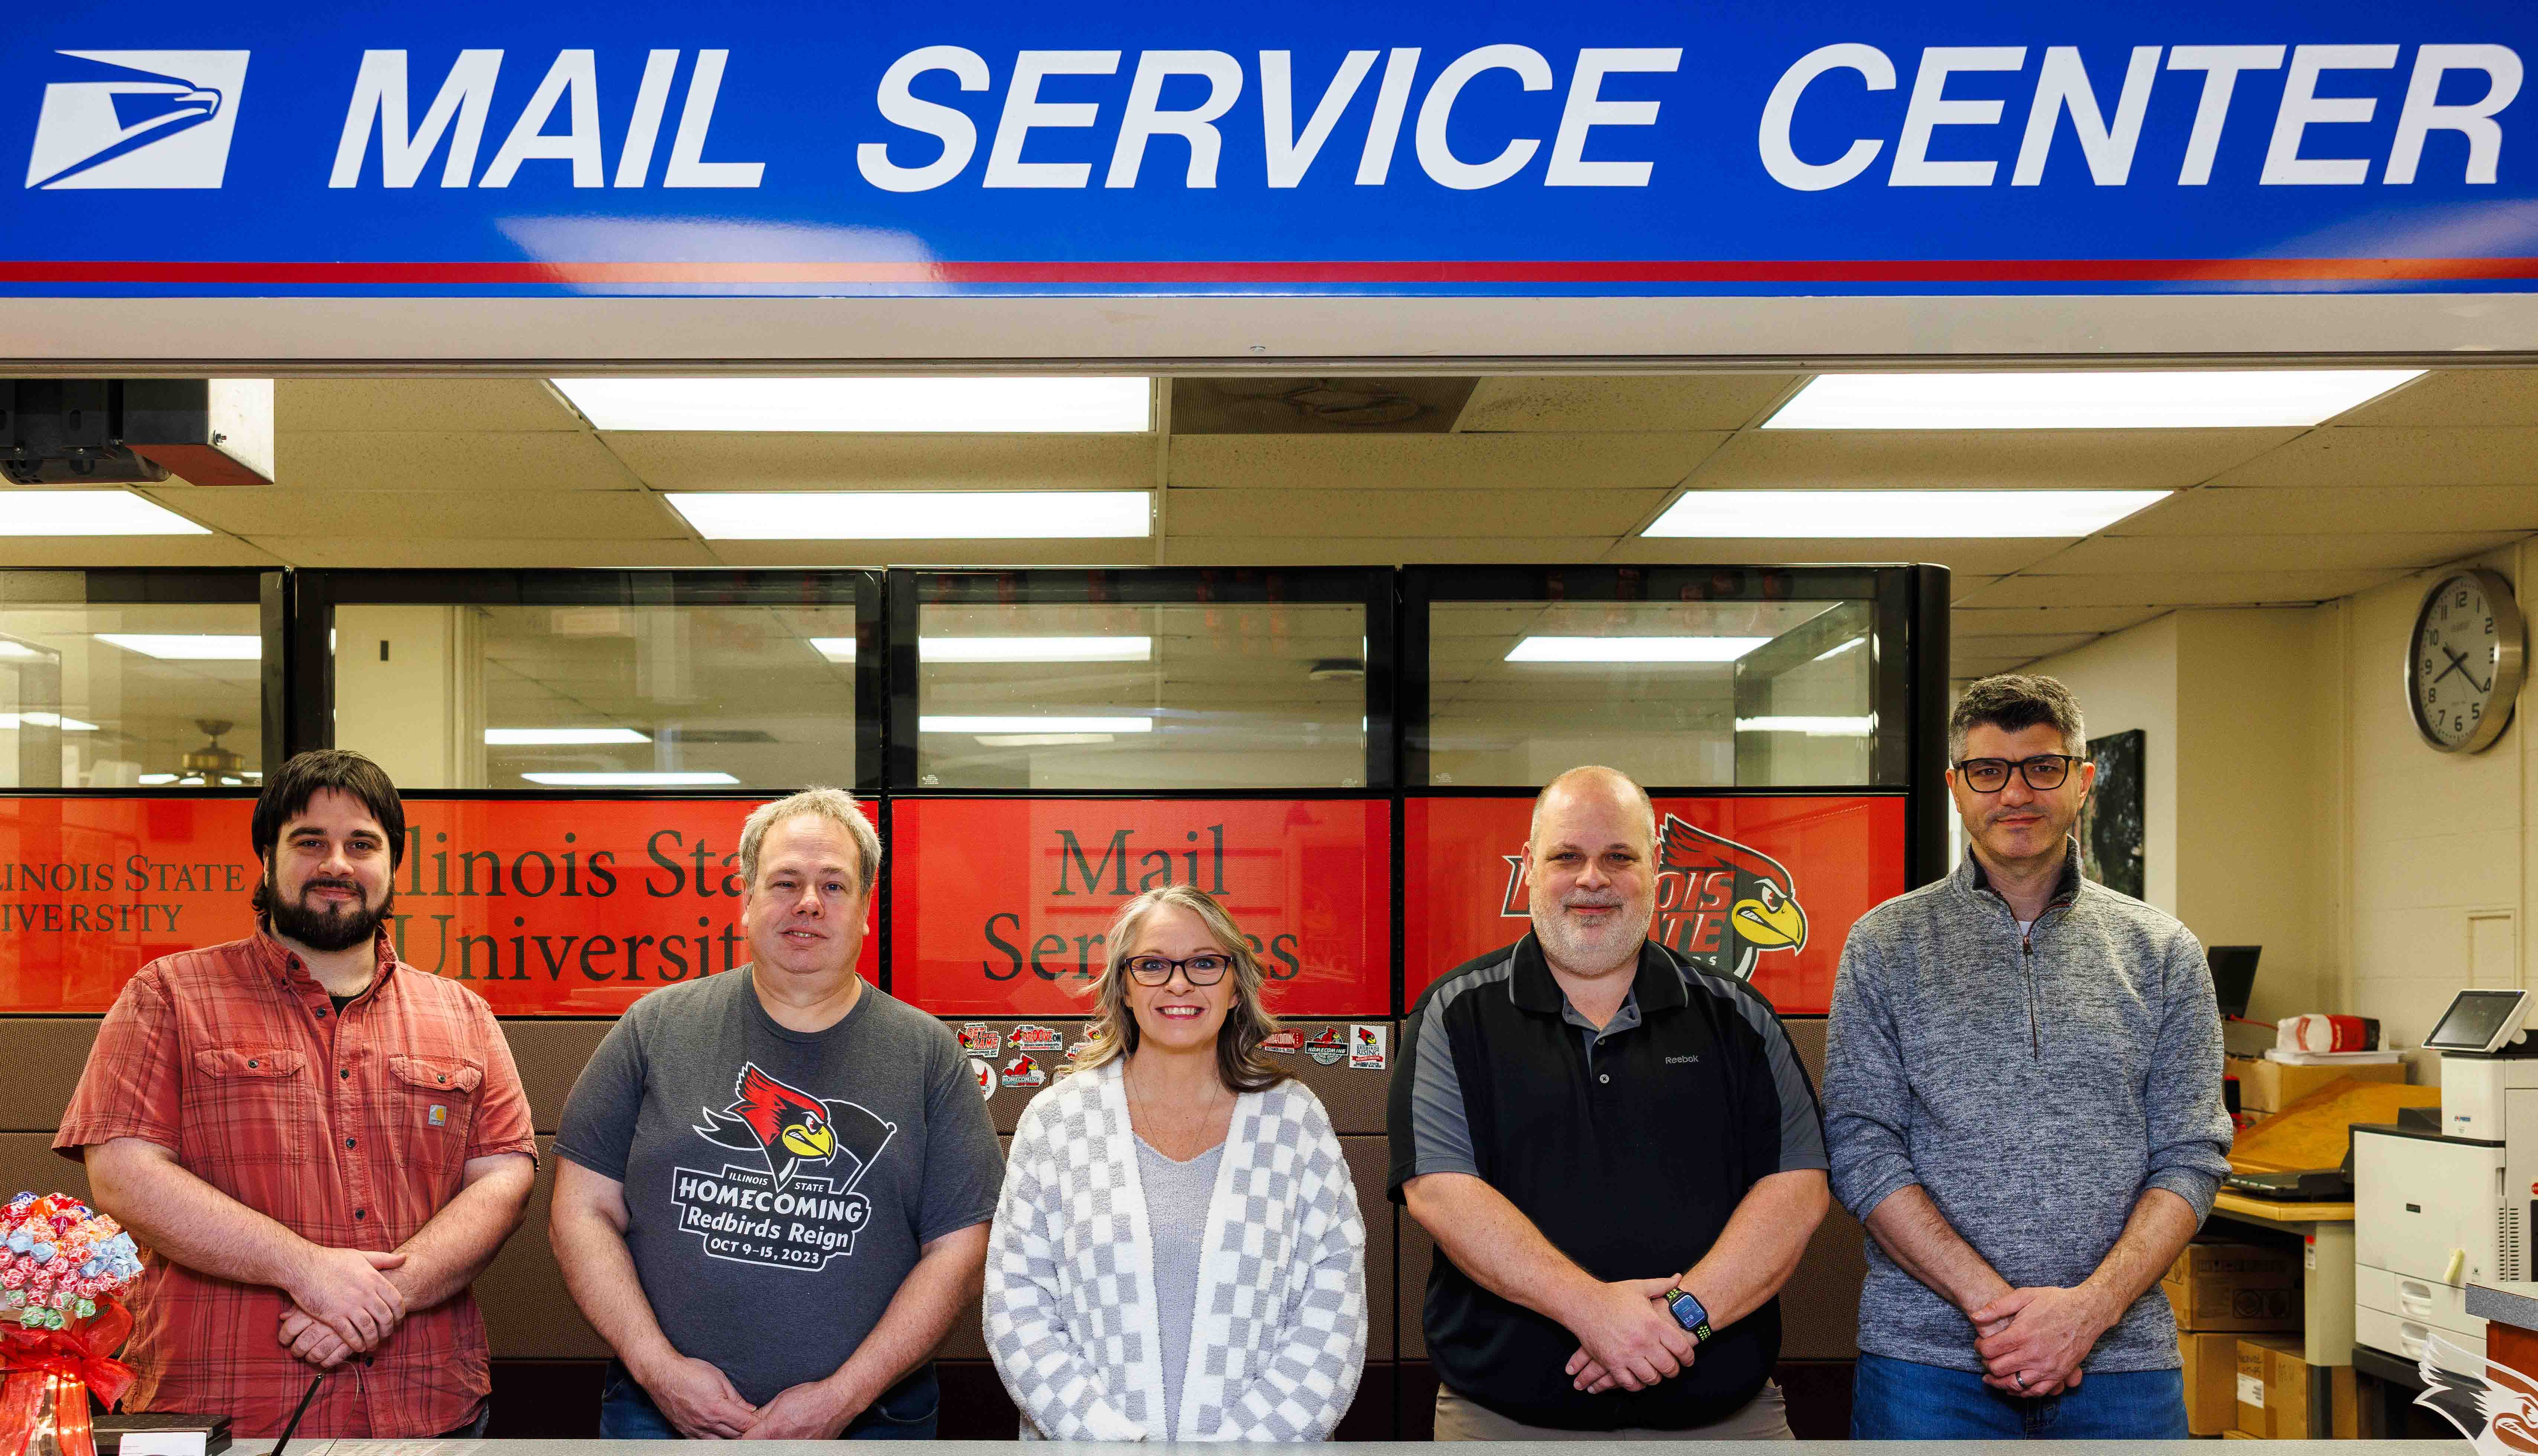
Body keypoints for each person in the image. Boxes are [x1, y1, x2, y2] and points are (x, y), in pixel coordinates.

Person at [54, 749, 538, 1439]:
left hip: (427, 1404)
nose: (336, 864)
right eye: (310, 841)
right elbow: (124, 1175)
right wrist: (307, 1270)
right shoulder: (168, 995)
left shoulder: (462, 1015)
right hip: (223, 1407)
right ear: (266, 859)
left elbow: (504, 1182)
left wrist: (379, 1299)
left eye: (361, 844)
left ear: (393, 866)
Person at [1823, 673, 2231, 1439]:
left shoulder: (2161, 951)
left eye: (2041, 767)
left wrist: (2085, 1312)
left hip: (2118, 1366)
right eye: (1988, 771)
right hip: (1928, 1367)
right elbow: (1861, 1148)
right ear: (1955, 787)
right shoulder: (1884, 945)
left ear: (2082, 780)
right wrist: (1998, 1312)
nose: (2015, 792)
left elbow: (2191, 1154)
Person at [1390, 765, 1829, 1440]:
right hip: (1505, 1421)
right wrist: (1595, 1312)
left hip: (1723, 1417)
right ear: (1530, 868)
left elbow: (1796, 1187)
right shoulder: (1453, 1016)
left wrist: (1675, 1321)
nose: (1591, 878)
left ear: (1655, 868)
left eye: (1618, 857)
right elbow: (1442, 1192)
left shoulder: (1738, 1016)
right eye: (1567, 856)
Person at [551, 786, 1001, 1440]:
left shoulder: (929, 1055)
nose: (809, 903)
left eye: (834, 886)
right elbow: (580, 1209)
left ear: (866, 909)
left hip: (873, 1420)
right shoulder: (654, 1029)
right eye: (785, 881)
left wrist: (844, 1396)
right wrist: (660, 1371)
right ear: (747, 900)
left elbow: (960, 1250)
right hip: (659, 1413)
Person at [985, 884, 1367, 1441]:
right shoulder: (1056, 1123)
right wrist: (1112, 1444)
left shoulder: (1294, 1123)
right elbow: (1017, 1308)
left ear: (1236, 987)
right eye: (1153, 965)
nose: (1179, 983)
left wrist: (1237, 1450)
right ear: (1124, 987)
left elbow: (1333, 1318)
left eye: (1205, 963)